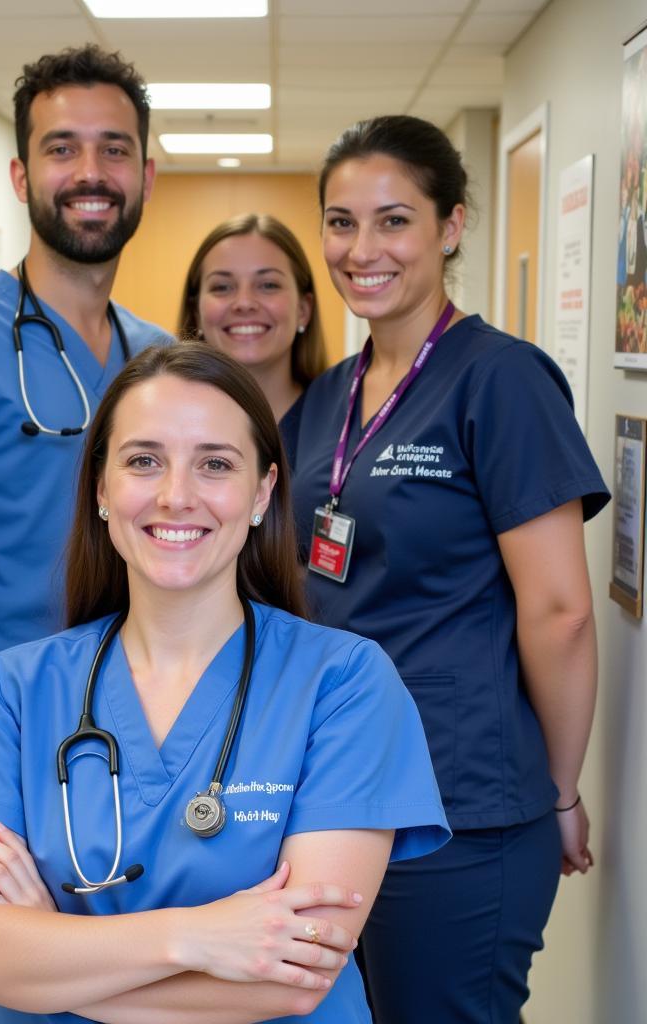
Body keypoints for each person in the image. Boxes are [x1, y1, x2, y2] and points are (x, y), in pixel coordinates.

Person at [0, 343, 451, 1023]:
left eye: (215, 465)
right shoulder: (15, 691)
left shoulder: (343, 684)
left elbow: (296, 977)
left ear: (261, 493)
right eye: (143, 461)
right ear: (101, 490)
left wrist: (53, 949)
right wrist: (196, 937)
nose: (175, 496)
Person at [292, 115, 610, 1023]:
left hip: (462, 802)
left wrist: (556, 792)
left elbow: (561, 613)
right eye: (341, 222)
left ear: (452, 226)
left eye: (394, 220)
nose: (363, 249)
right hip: (339, 792)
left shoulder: (501, 381)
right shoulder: (328, 396)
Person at [0, 44, 171, 1022]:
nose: (91, 172)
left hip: (125, 756)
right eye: (63, 148)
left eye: (113, 148)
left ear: (146, 172)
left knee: (111, 994)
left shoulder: (155, 355)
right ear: (23, 176)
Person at [178, 213, 326, 469]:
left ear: (304, 308)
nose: (244, 303)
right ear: (196, 313)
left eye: (268, 285)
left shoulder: (339, 421)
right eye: (222, 287)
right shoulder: (167, 420)